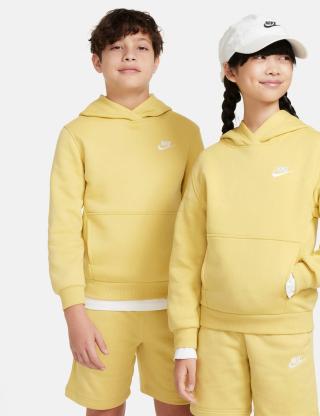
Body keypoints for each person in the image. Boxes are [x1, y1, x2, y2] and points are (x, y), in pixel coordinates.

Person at [168, 14, 320, 416]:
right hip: (216, 334)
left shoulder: (316, 148)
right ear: (231, 71)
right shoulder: (212, 161)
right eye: (260, 57)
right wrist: (185, 343)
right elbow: (186, 258)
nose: (275, 68)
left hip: (283, 329)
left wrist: (300, 277)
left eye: (283, 58)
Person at [48, 8, 203, 416]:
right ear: (96, 61)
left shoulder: (185, 132)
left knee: (180, 410)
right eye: (116, 47)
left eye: (141, 47)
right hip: (101, 308)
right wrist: (74, 313)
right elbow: (63, 228)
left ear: (157, 60)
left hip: (173, 308)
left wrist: (195, 312)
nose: (129, 55)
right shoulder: (77, 134)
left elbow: (199, 225)